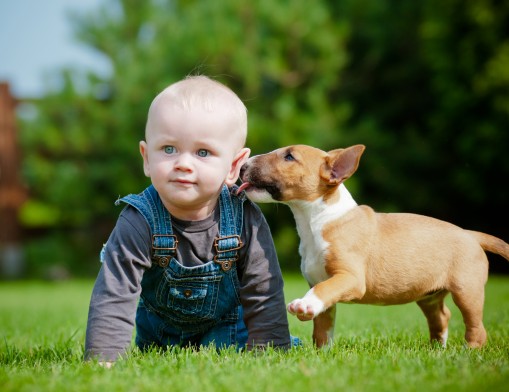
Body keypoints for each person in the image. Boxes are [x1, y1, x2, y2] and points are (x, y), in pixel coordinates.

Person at [85, 75, 294, 365]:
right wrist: (103, 361)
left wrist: (272, 351)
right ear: (146, 157)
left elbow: (263, 291)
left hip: (229, 334)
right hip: (160, 342)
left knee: (262, 343)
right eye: (168, 149)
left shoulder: (244, 217)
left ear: (234, 166)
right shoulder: (138, 220)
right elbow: (115, 292)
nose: (183, 163)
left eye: (203, 152)